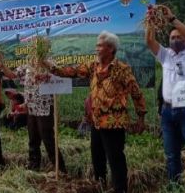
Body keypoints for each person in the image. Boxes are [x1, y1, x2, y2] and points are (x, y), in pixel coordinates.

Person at [50, 31, 146, 193]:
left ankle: (120, 189)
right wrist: (51, 67)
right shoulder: (93, 66)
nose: (96, 48)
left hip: (114, 122)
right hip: (96, 122)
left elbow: (136, 93)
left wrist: (141, 118)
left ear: (111, 49)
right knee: (97, 157)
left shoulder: (122, 69)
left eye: (100, 46)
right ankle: (100, 186)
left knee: (115, 158)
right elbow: (71, 72)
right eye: (97, 45)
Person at [145, 5, 185, 190]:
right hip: (167, 111)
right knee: (171, 154)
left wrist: (172, 19)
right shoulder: (166, 55)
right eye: (172, 37)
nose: (175, 39)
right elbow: (149, 41)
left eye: (178, 37)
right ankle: (175, 187)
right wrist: (150, 20)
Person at [0, 52, 67, 172]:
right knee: (33, 138)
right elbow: (13, 75)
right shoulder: (27, 66)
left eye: (37, 51)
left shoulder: (49, 63)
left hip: (45, 107)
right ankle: (34, 165)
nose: (34, 56)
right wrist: (2, 66)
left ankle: (59, 168)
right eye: (33, 52)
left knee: (47, 137)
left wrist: (44, 64)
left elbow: (58, 73)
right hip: (31, 107)